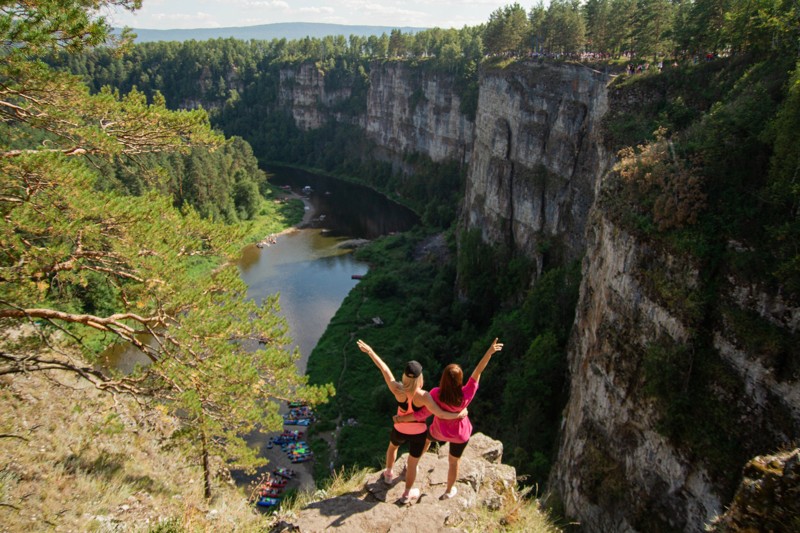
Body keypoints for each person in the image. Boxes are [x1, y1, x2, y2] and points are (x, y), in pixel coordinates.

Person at [357, 339, 467, 504]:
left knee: (392, 447)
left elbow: (384, 368)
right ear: (419, 377)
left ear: (404, 376)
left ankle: (388, 474)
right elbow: (441, 414)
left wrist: (371, 351)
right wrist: (457, 415)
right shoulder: (424, 396)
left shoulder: (397, 389)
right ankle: (407, 493)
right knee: (412, 463)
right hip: (418, 434)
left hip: (399, 428)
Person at [396, 338, 503, 500]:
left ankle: (414, 464)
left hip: (438, 432)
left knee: (426, 439)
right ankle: (448, 491)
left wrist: (404, 419)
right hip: (460, 435)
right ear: (460, 380)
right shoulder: (467, 394)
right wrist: (489, 352)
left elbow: (424, 414)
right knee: (454, 462)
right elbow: (478, 371)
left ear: (443, 379)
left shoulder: (435, 394)